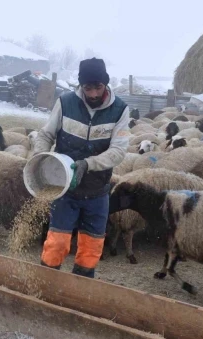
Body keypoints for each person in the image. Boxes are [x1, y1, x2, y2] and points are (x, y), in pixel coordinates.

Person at [33, 57, 130, 278]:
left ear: (105, 83)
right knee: (56, 243)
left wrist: (89, 164)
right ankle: (46, 286)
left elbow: (118, 151)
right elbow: (46, 134)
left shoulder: (120, 110)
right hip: (64, 189)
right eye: (88, 87)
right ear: (80, 85)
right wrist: (39, 157)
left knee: (91, 248)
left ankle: (79, 291)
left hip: (97, 192)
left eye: (98, 87)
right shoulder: (66, 102)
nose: (93, 94)